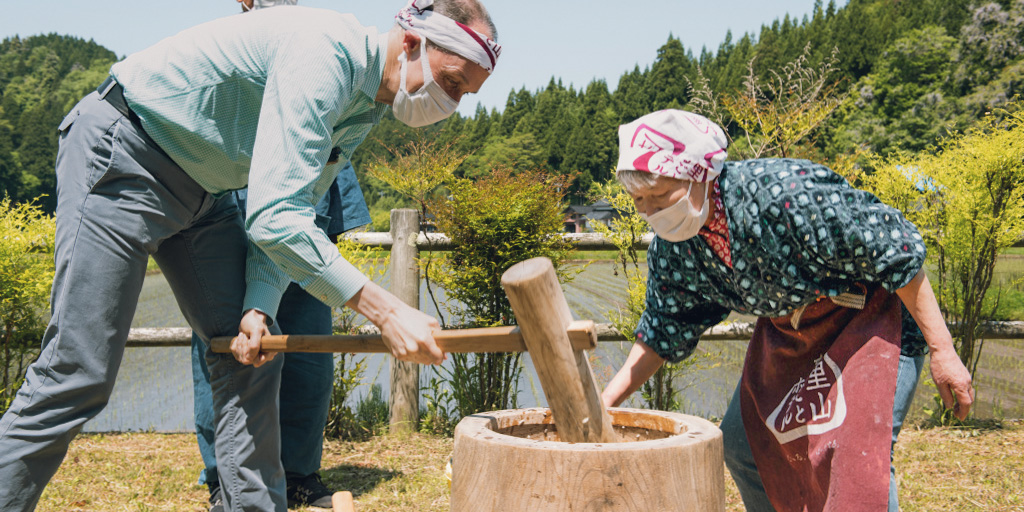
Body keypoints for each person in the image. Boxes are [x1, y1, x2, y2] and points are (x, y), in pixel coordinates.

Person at [0, 1, 500, 511]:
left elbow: (295, 206)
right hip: (126, 154)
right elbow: (275, 217)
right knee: (77, 372)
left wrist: (259, 305)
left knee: (252, 352)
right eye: (453, 82)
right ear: (413, 43)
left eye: (465, 94)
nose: (451, 102)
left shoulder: (366, 102)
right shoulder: (323, 52)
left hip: (206, 193)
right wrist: (387, 310)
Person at [600, 109, 975, 512]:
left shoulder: (785, 193)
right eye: (639, 199)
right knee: (746, 448)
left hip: (869, 319)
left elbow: (896, 249)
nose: (650, 210)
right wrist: (606, 402)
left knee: (856, 462)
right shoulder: (674, 248)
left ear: (700, 174)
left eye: (660, 195)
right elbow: (663, 329)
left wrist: (944, 351)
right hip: (795, 335)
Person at [188, 1, 367, 510]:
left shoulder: (322, 41)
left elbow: (329, 134)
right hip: (229, 204)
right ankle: (226, 475)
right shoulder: (226, 46)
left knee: (309, 347)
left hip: (309, 210)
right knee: (227, 348)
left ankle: (299, 473)